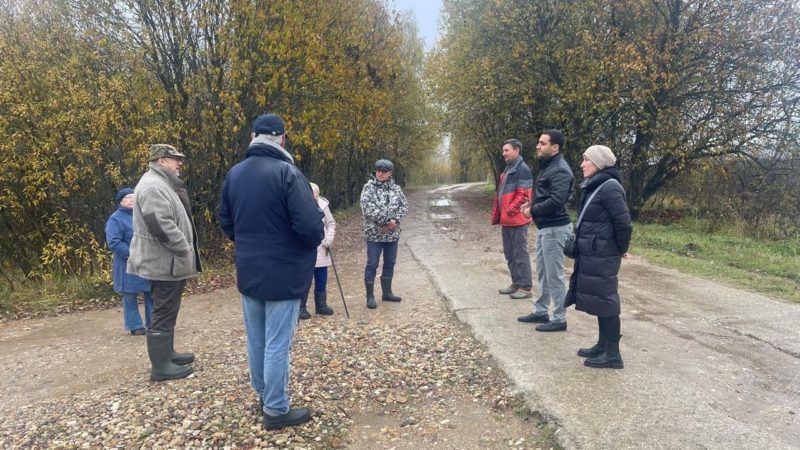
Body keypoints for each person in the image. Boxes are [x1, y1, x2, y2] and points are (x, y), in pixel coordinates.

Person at [218, 113, 323, 430]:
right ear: (282, 139)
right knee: (277, 342)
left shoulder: (235, 174)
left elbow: (226, 221)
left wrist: (250, 244)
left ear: (253, 137)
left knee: (257, 339)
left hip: (250, 271)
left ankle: (264, 395)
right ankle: (276, 409)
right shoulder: (288, 173)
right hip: (284, 273)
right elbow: (309, 227)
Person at [128, 144, 201, 381]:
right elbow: (160, 224)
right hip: (164, 261)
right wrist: (184, 248)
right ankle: (160, 367)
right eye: (175, 159)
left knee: (168, 309)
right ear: (161, 160)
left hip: (169, 261)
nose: (179, 163)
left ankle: (167, 354)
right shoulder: (152, 185)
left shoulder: (160, 183)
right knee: (163, 310)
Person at [565, 145, 632, 369]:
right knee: (600, 300)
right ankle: (603, 346)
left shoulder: (610, 187)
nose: (582, 164)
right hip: (595, 252)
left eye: (587, 160)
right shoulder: (598, 184)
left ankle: (613, 355)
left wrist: (621, 248)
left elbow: (623, 222)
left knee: (607, 301)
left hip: (603, 253)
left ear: (600, 163)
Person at [519, 129, 574, 332]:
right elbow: (545, 195)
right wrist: (531, 207)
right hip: (546, 228)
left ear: (555, 147)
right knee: (543, 272)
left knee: (554, 275)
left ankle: (559, 319)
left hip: (555, 229)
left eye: (542, 143)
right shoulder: (549, 166)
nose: (538, 145)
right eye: (539, 142)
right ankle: (541, 310)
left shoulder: (560, 169)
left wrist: (532, 210)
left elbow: (557, 201)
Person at [360, 159, 408, 309]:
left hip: (392, 235)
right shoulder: (368, 188)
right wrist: (388, 221)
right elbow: (367, 209)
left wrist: (395, 220)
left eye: (383, 171)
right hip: (374, 234)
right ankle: (370, 296)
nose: (380, 174)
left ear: (390, 173)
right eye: (378, 171)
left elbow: (404, 206)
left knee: (390, 263)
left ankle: (387, 293)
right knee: (372, 264)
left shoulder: (396, 189)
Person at [105, 187, 153, 336]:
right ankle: (135, 325)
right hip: (127, 263)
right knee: (130, 295)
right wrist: (133, 254)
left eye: (134, 197)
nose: (132, 200)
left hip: (147, 261)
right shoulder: (115, 219)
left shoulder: (142, 215)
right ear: (121, 201)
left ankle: (154, 323)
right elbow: (114, 242)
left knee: (151, 292)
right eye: (128, 198)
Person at [491, 139, 534, 299]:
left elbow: (524, 195)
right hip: (507, 221)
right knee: (510, 254)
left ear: (517, 150)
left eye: (506, 150)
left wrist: (509, 210)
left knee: (520, 254)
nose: (504, 154)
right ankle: (516, 283)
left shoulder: (522, 169)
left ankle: (526, 288)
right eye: (503, 151)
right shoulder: (509, 169)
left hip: (517, 220)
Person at [299, 182, 336, 320]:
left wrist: (329, 239)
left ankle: (321, 305)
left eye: (315, 194)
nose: (313, 197)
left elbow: (330, 223)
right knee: (304, 279)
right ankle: (301, 307)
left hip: (322, 247)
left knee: (321, 277)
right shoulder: (298, 205)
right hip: (304, 249)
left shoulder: (323, 205)